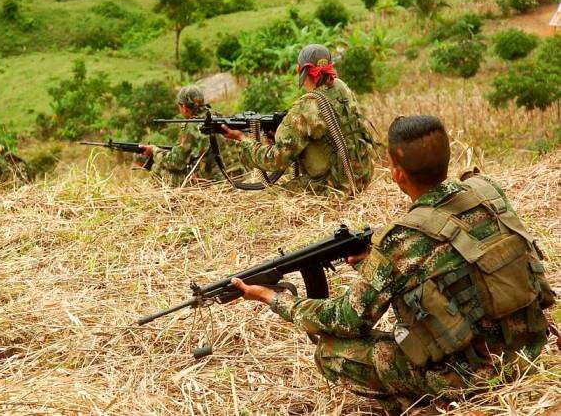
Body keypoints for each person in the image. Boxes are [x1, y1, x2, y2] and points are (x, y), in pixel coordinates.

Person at [230, 115, 555, 415]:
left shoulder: (399, 242)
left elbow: (344, 320)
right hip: (529, 348)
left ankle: (418, 404)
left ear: (397, 173)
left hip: (471, 377)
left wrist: (272, 298)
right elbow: (461, 265)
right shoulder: (486, 193)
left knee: (330, 351)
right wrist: (376, 266)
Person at [221, 44, 376, 194]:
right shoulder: (341, 88)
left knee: (267, 198)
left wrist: (243, 139)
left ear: (300, 70)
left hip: (335, 188)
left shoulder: (306, 107)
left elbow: (276, 160)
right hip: (362, 176)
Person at [139, 86, 222, 186]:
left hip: (211, 181)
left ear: (184, 107)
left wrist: (154, 151)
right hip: (227, 175)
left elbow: (176, 162)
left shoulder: (193, 126)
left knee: (157, 169)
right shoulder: (216, 116)